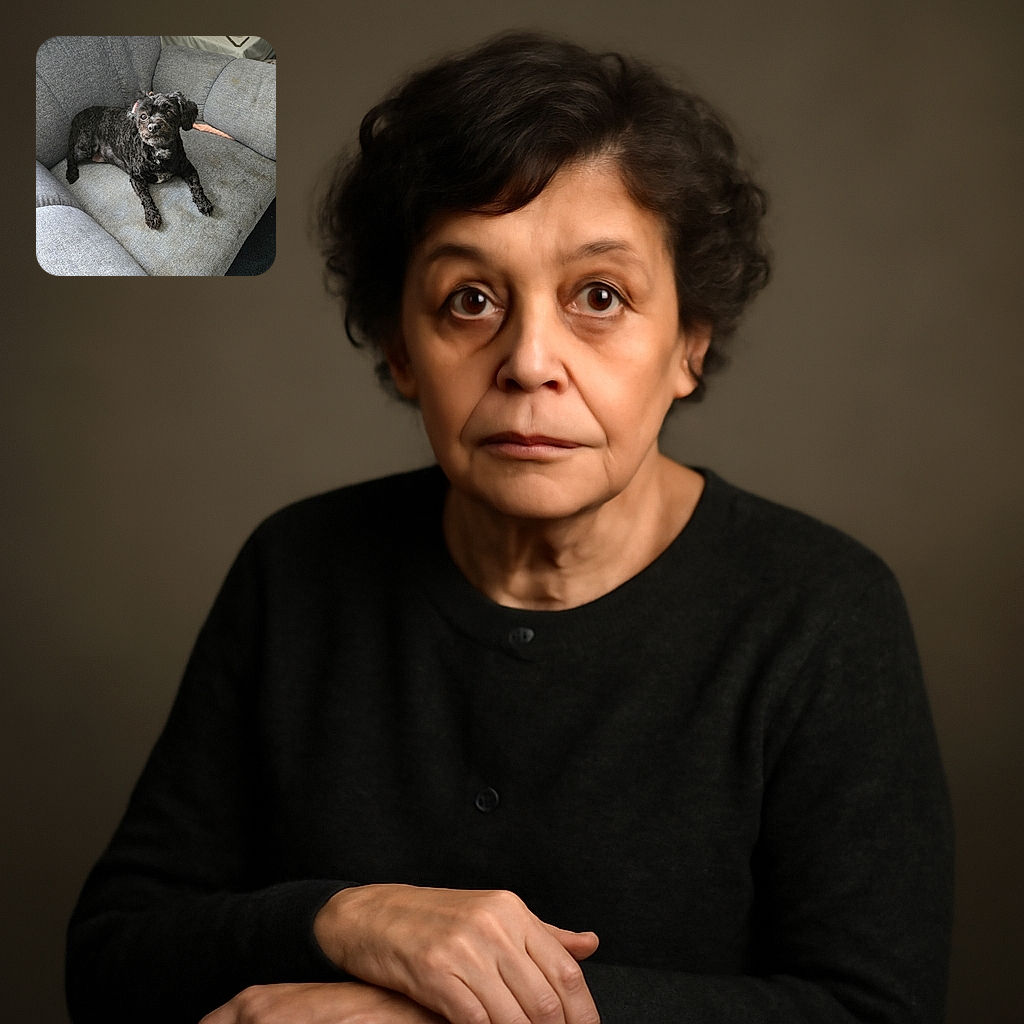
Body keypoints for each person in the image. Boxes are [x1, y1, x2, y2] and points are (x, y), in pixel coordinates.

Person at [66, 31, 954, 1024]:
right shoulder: (296, 570)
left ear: (688, 347)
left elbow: (875, 1009)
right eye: (471, 300)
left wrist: (446, 1018)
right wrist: (347, 918)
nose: (530, 361)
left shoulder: (822, 613)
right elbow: (110, 962)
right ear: (402, 350)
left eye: (601, 297)